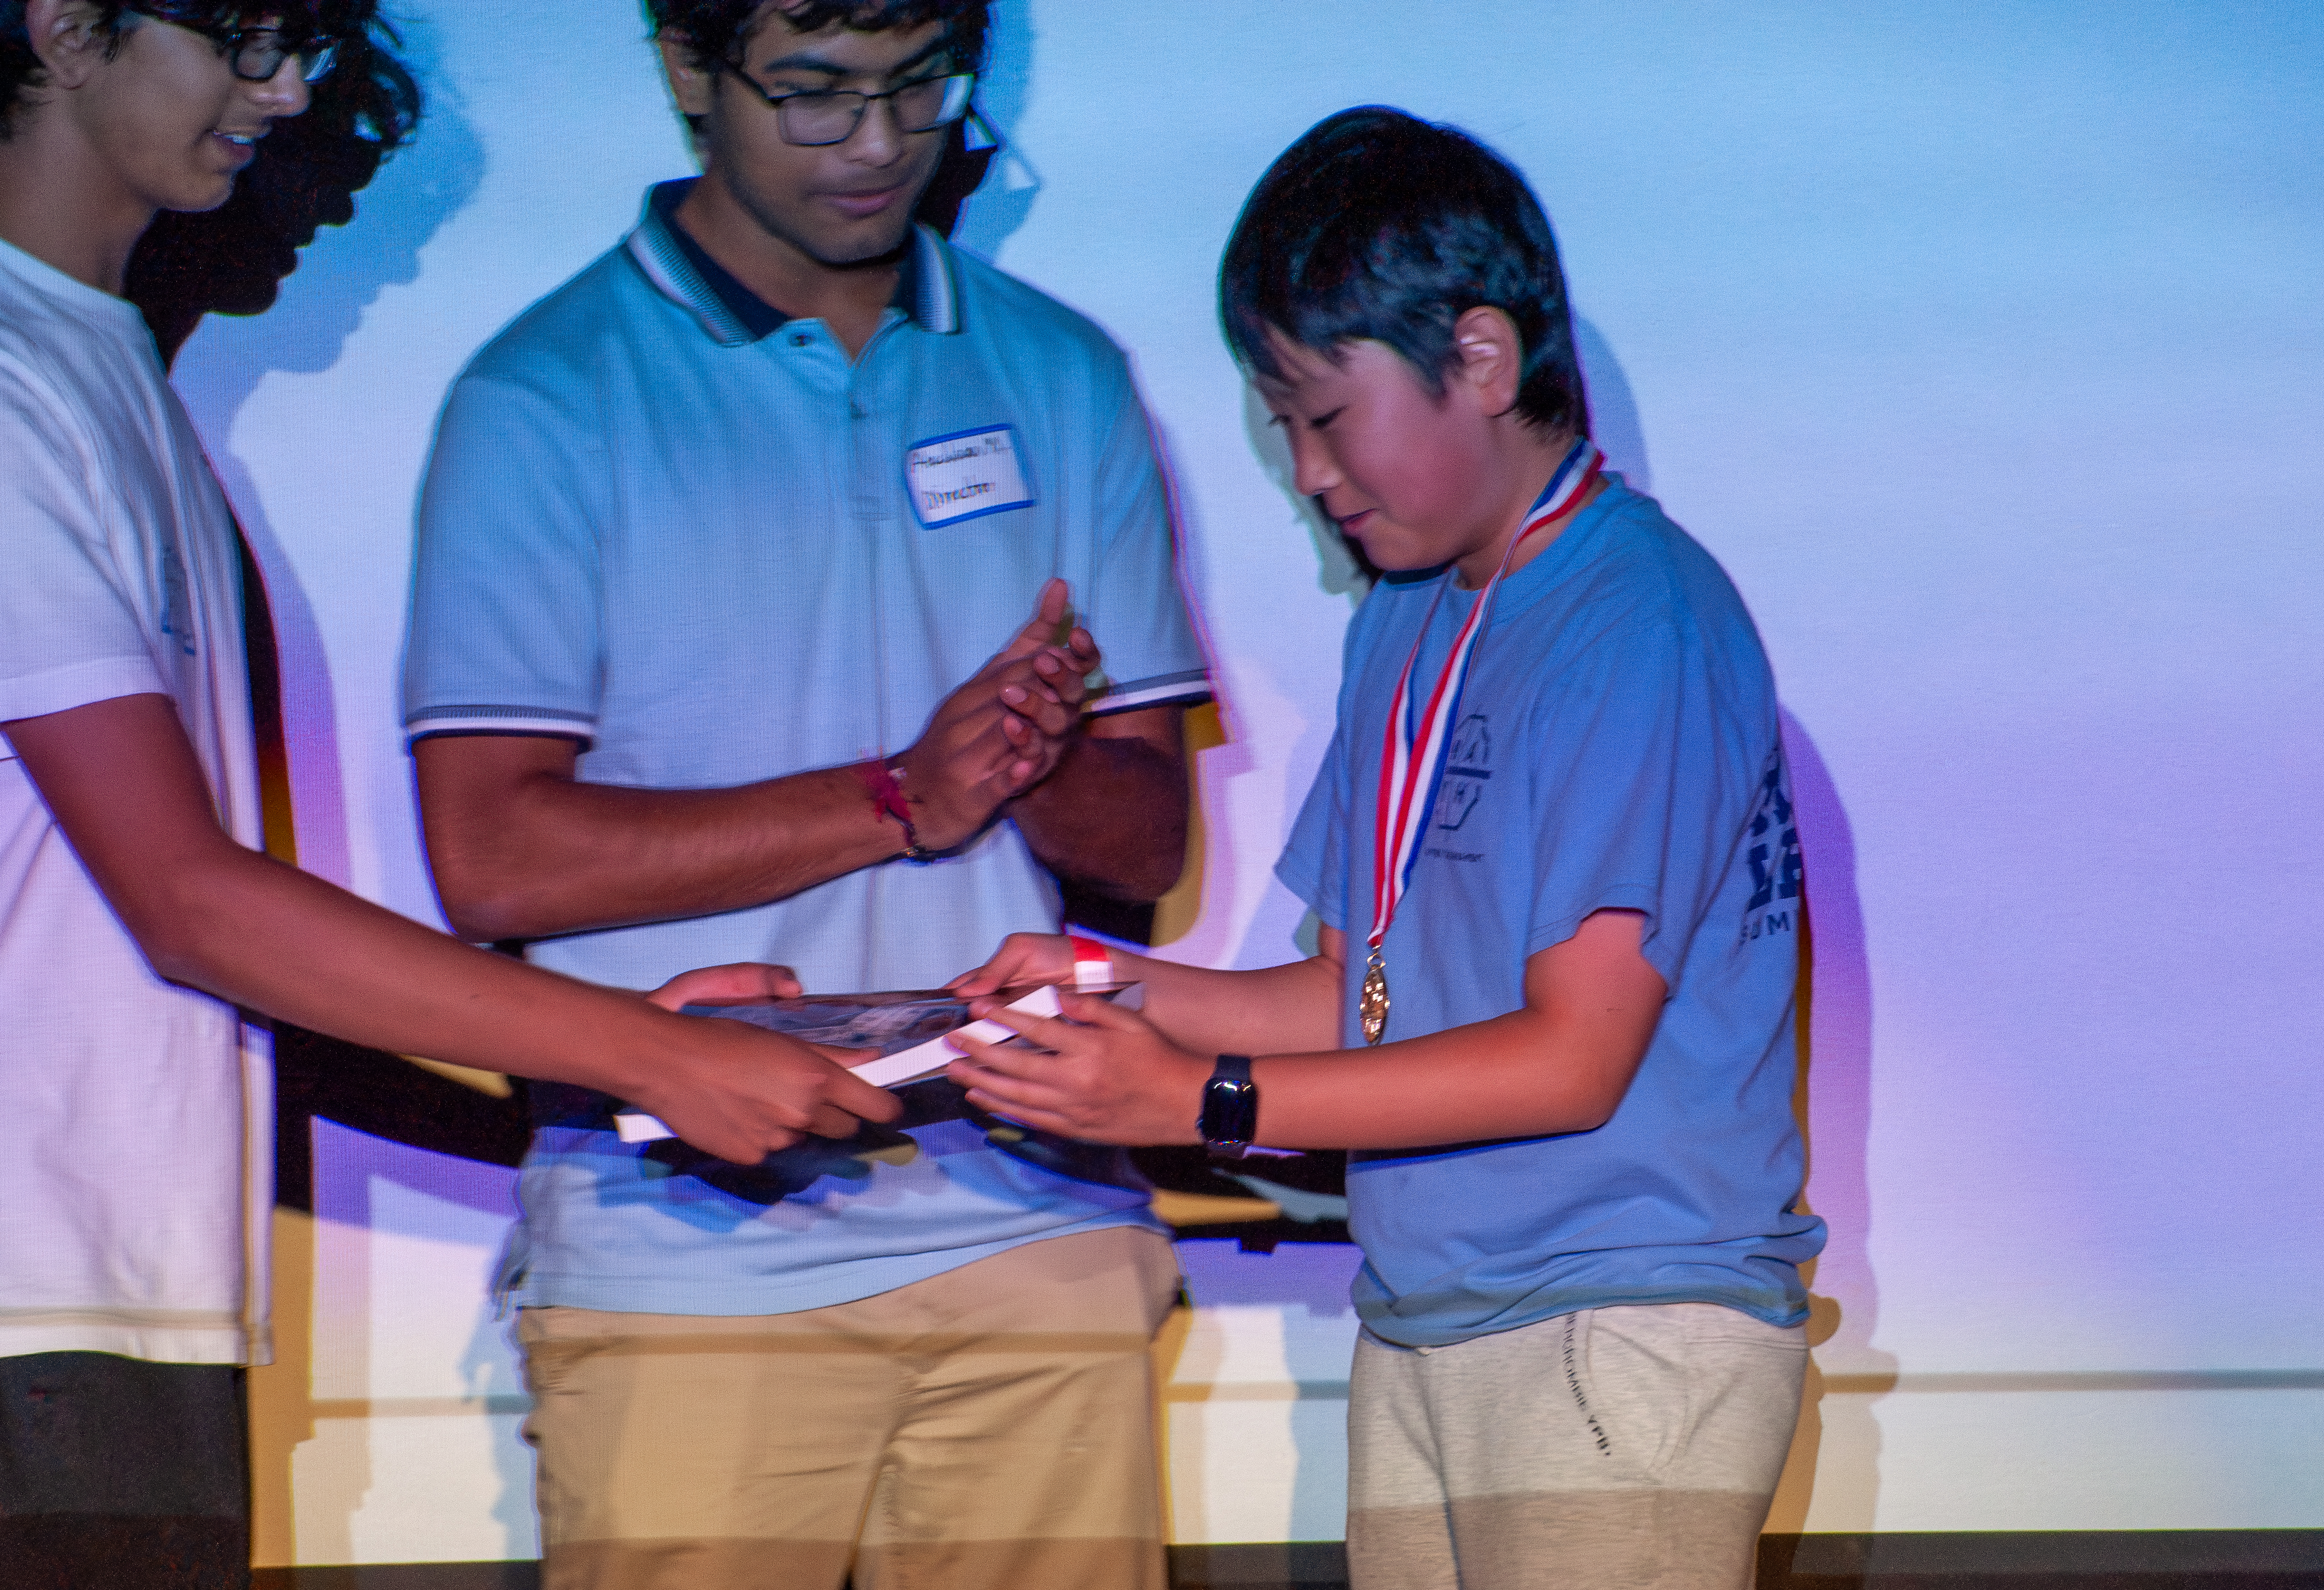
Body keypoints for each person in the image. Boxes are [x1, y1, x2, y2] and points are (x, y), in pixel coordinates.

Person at [0, 3, 905, 1581]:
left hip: (109, 1305)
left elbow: (175, 960)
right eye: (244, 41)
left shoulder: (96, 359)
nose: (286, 95)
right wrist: (636, 1049)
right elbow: (192, 906)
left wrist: (618, 1075)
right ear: (69, 27)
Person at [949, 107, 1827, 1590]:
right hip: (1435, 1313)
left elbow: (1572, 1059)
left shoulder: (1640, 618)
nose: (1304, 472)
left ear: (1481, 359)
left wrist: (1197, 1102)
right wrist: (1116, 985)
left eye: (1323, 415)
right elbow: (1358, 996)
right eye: (1275, 423)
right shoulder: (1411, 614)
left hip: (1619, 1327)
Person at [401, 2, 1211, 1585]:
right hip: (683, 1261)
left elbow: (1152, 839)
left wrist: (1027, 760)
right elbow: (489, 859)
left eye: (920, 86)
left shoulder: (1060, 370)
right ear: (688, 73)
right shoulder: (544, 398)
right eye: (816, 93)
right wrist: (899, 794)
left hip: (1037, 1232)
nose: (879, 143)